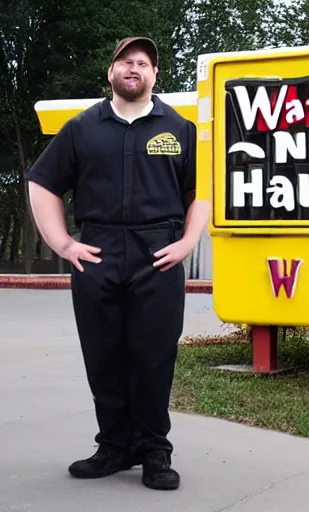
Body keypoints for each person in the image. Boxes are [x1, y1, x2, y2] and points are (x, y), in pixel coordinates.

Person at [25, 36, 210, 491]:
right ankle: (113, 446)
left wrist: (188, 242)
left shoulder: (180, 128)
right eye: (126, 62)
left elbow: (199, 192)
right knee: (103, 355)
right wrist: (63, 243)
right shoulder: (82, 128)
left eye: (144, 63)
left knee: (152, 356)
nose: (134, 68)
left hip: (158, 254)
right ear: (111, 72)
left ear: (155, 75)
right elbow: (42, 183)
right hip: (98, 252)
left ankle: (153, 452)